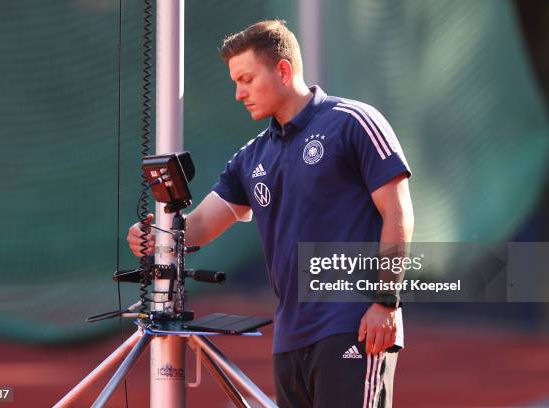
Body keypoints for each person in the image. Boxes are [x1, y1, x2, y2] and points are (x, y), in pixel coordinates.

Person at [128, 20, 414, 408]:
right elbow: (199, 227)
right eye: (235, 81)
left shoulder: (353, 122)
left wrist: (386, 301)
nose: (238, 93)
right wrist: (156, 236)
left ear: (283, 70)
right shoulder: (251, 157)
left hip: (355, 326)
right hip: (291, 338)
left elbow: (398, 212)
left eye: (245, 79)